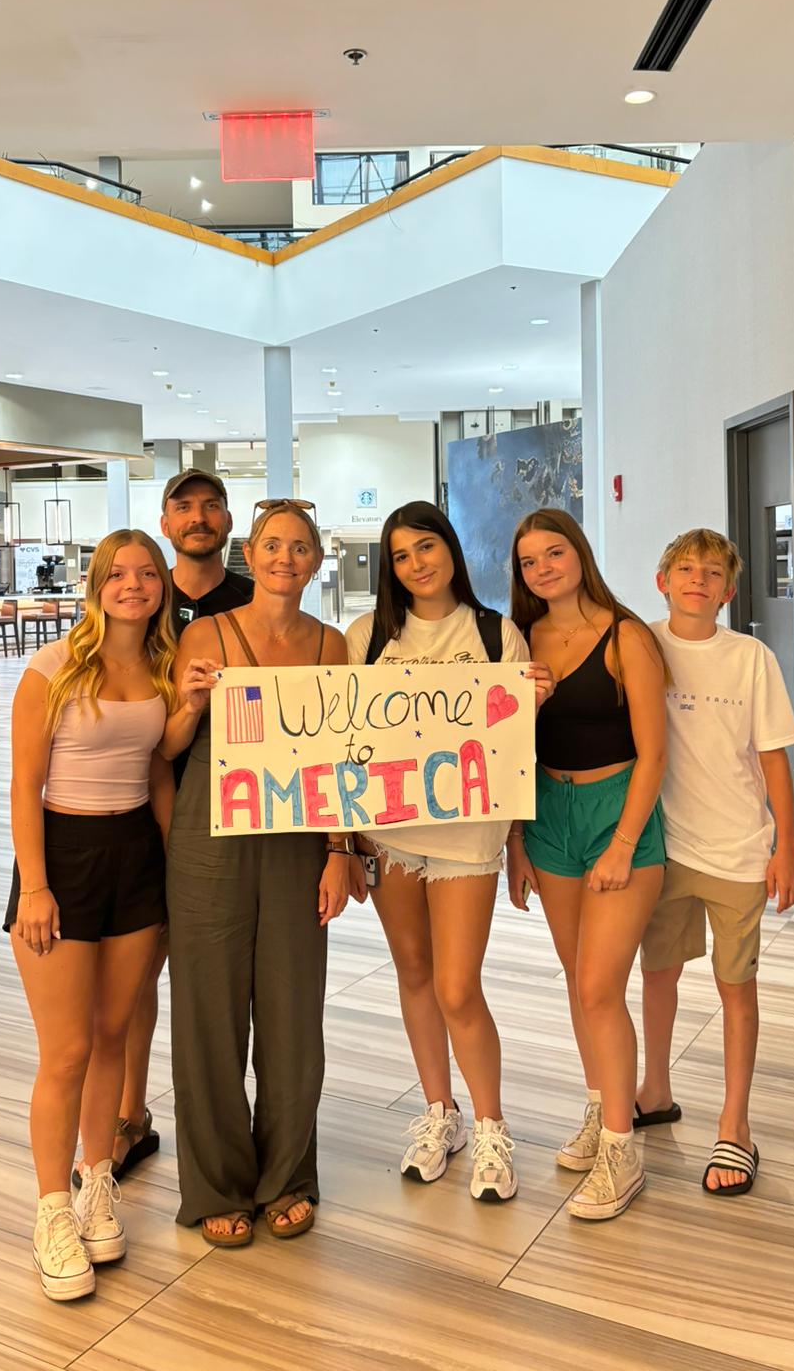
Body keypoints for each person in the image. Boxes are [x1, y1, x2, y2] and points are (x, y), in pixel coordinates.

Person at [5, 528, 214, 1300]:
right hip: (63, 858)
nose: (133, 585)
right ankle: (51, 1211)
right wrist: (35, 887)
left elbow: (157, 769)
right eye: (117, 574)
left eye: (146, 574)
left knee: (113, 1036)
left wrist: (178, 869)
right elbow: (25, 785)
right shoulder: (53, 668)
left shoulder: (162, 665)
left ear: (162, 585)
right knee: (66, 1051)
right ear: (96, 586)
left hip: (136, 857)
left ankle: (98, 1182)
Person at [345, 501, 549, 1204]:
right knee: (415, 974)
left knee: (458, 987)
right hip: (391, 834)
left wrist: (517, 840)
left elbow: (515, 749)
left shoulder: (495, 633)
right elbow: (344, 740)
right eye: (400, 556)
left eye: (426, 547)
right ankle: (441, 1113)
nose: (416, 564)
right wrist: (347, 839)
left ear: (451, 549)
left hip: (469, 834)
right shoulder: (367, 636)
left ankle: (492, 1125)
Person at [167, 500, 352, 1247]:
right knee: (207, 1012)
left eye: (299, 547)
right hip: (209, 829)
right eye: (272, 544)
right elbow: (169, 742)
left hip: (298, 835)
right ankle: (216, 1183)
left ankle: (287, 1177)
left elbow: (343, 752)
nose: (285, 558)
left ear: (316, 561)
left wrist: (340, 850)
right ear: (250, 552)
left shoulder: (332, 644)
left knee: (293, 1012)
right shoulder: (204, 634)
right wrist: (190, 703)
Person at [507, 509, 667, 1221]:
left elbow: (655, 753)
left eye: (554, 553)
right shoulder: (522, 638)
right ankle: (602, 1106)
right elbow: (505, 746)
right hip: (548, 814)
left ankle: (622, 1152)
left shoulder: (627, 635)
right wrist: (516, 841)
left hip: (617, 813)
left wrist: (624, 843)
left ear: (580, 554)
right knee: (580, 982)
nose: (543, 569)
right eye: (529, 561)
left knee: (601, 987)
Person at [636, 528, 794, 1196]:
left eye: (711, 573)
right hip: (664, 848)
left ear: (729, 591)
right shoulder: (642, 645)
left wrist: (787, 846)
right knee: (658, 973)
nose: (697, 581)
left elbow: (773, 757)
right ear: (663, 581)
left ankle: (736, 1123)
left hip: (738, 850)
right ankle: (654, 1088)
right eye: (685, 569)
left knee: (736, 985)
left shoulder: (751, 658)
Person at [105, 468, 252, 1185]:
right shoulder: (143, 600)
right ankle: (128, 1115)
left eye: (211, 506)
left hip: (238, 811)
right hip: (145, 807)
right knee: (139, 972)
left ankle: (232, 1125)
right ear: (165, 523)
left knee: (222, 979)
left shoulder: (253, 599)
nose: (198, 517)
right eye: (184, 506)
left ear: (228, 520)